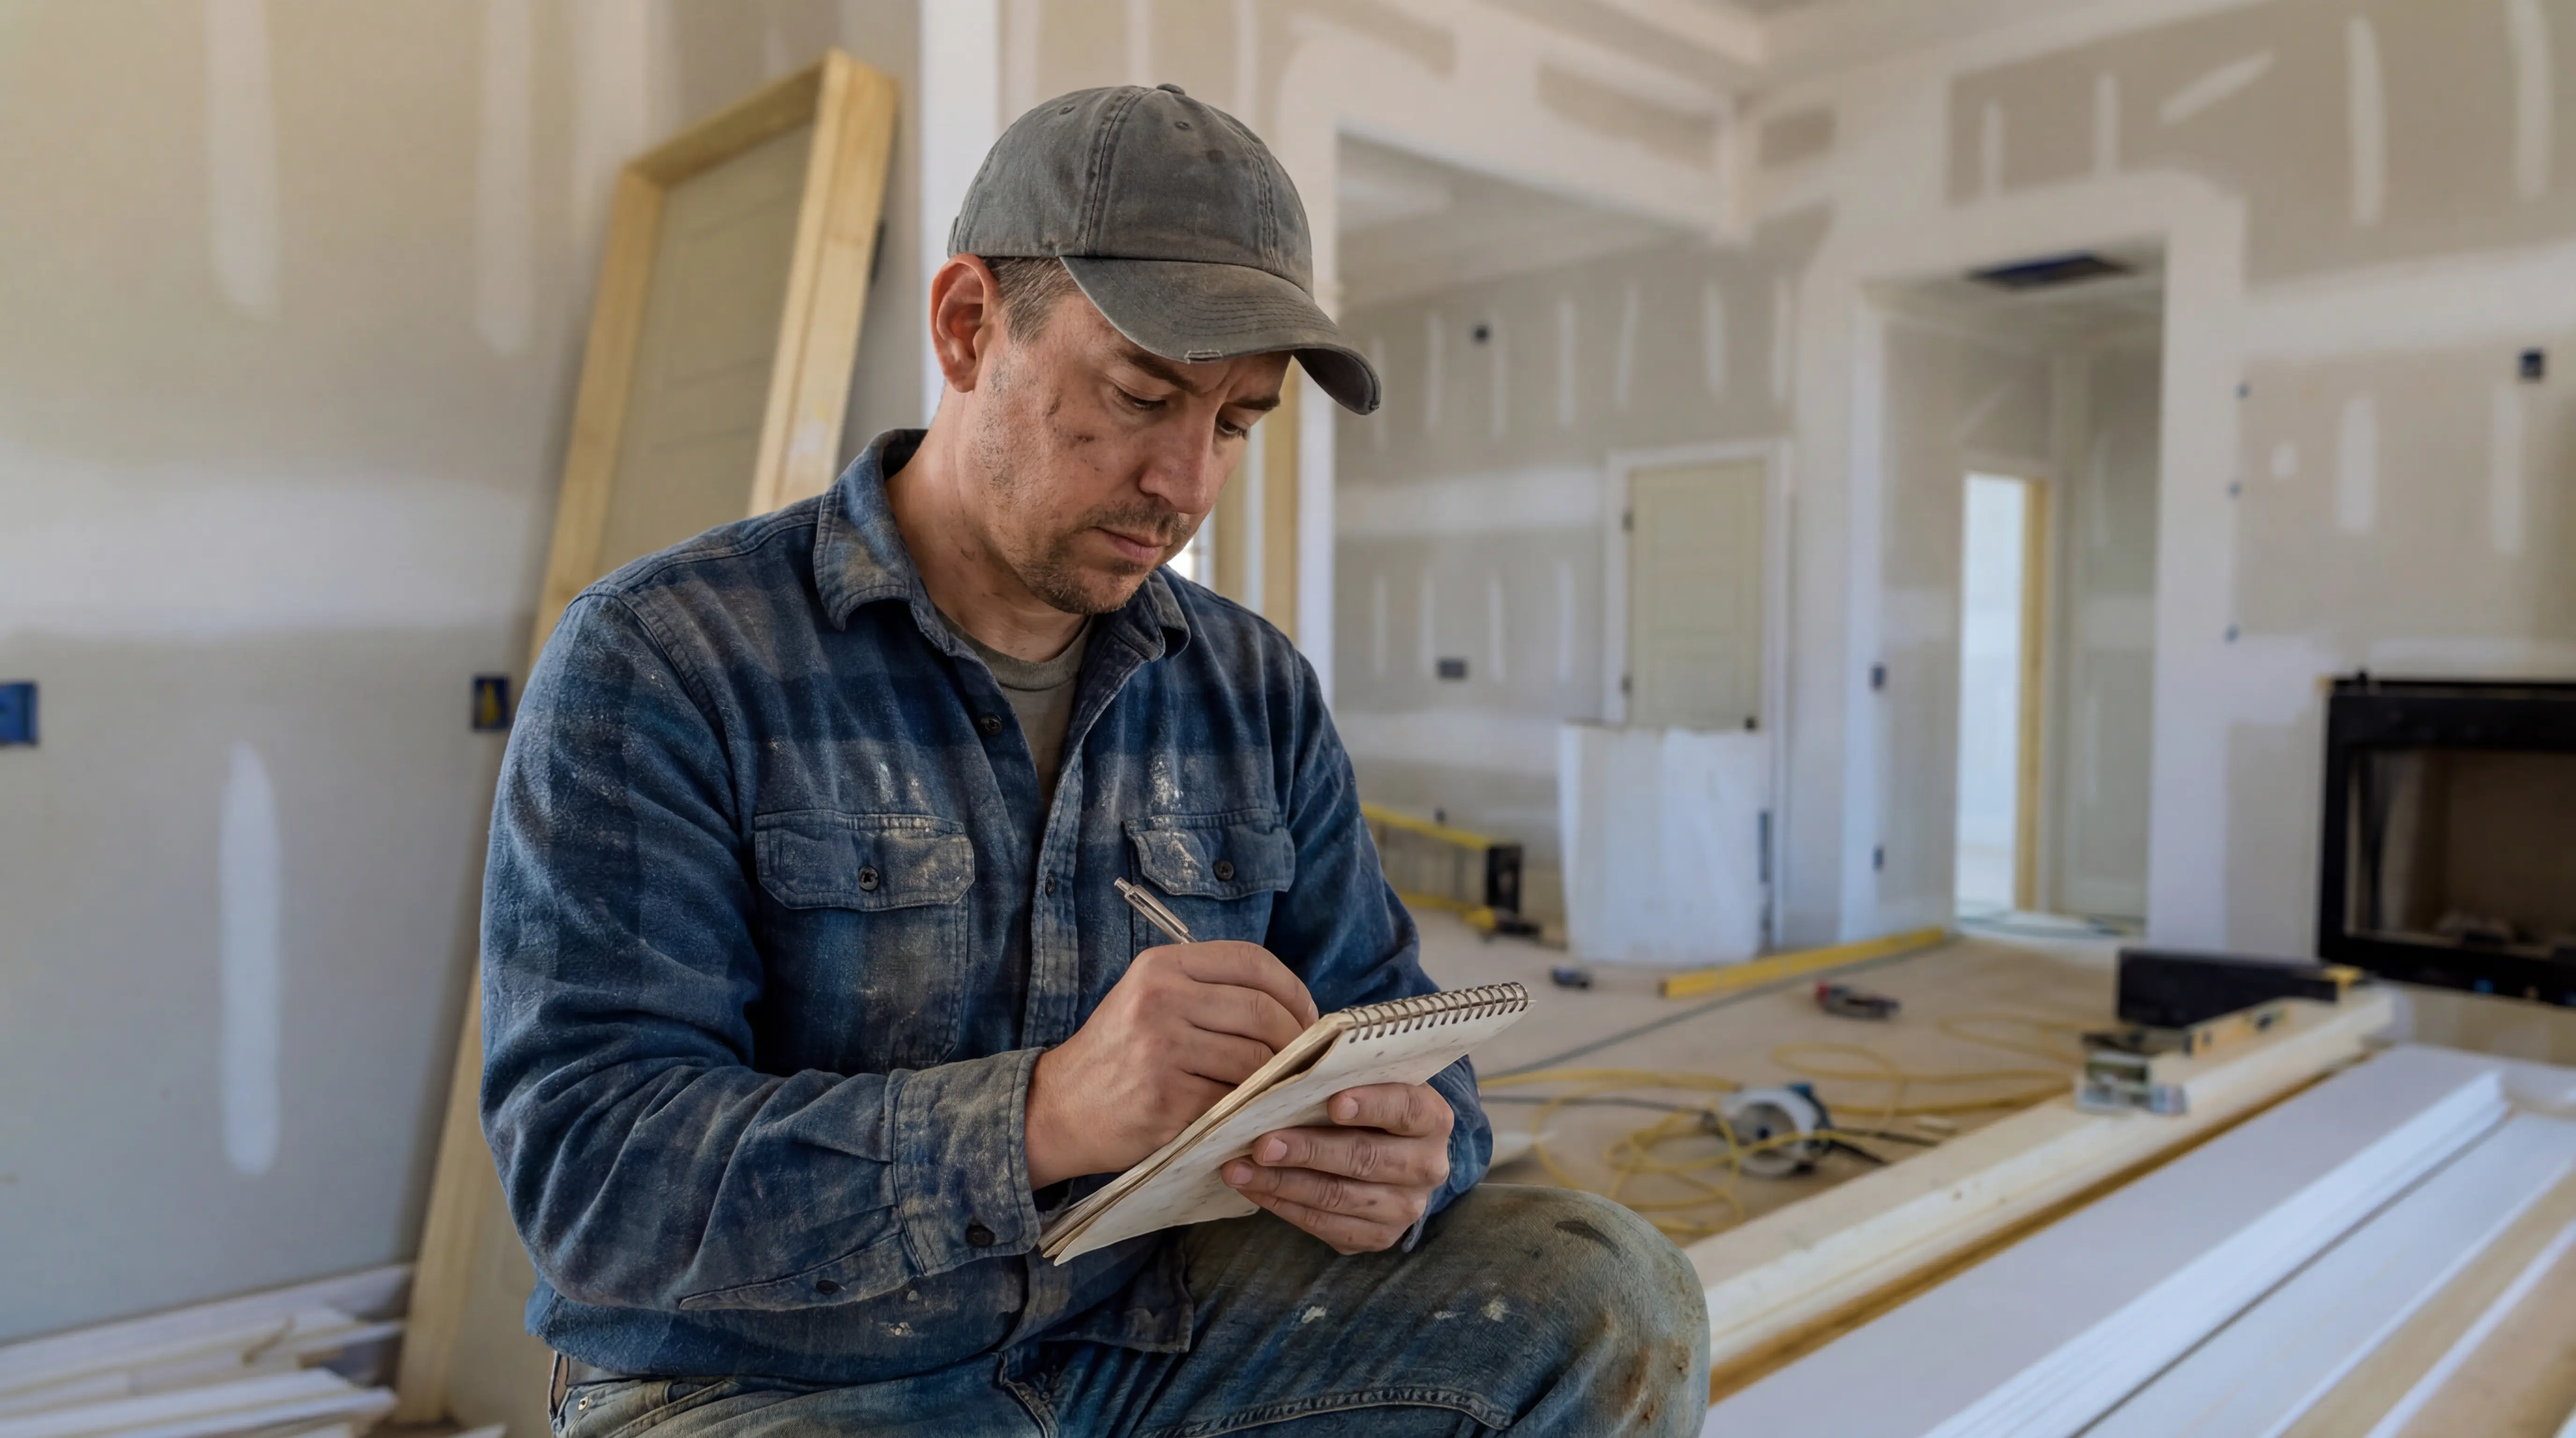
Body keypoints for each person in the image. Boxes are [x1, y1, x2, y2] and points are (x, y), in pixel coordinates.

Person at [481, 83, 1708, 1437]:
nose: (1186, 484)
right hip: (768, 1378)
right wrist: (1039, 1117)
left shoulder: (1249, 690)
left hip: (1137, 1334)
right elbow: (592, 1178)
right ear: (967, 327)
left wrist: (1418, 1149)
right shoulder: (665, 660)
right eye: (1142, 395)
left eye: (1237, 424)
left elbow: (1391, 1021)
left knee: (1610, 1297)